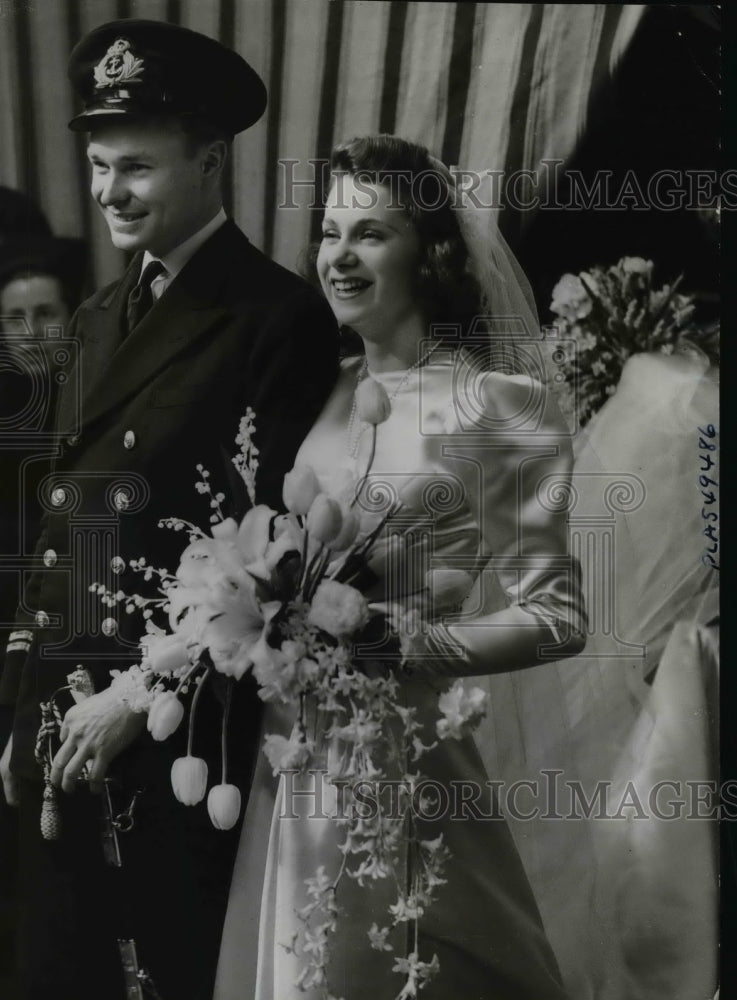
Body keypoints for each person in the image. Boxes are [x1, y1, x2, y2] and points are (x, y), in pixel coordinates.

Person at [0, 19, 339, 1000]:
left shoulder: (275, 319)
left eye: (136, 167)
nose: (109, 191)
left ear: (209, 160)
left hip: (182, 742)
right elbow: (64, 529)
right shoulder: (96, 320)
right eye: (100, 166)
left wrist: (135, 702)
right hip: (65, 723)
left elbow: (279, 560)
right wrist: (24, 707)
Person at [215, 135, 586, 999]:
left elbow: (557, 616)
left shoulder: (499, 406)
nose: (338, 256)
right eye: (330, 230)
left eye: (371, 233)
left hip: (403, 764)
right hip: (286, 762)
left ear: (433, 252)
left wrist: (403, 643)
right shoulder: (319, 385)